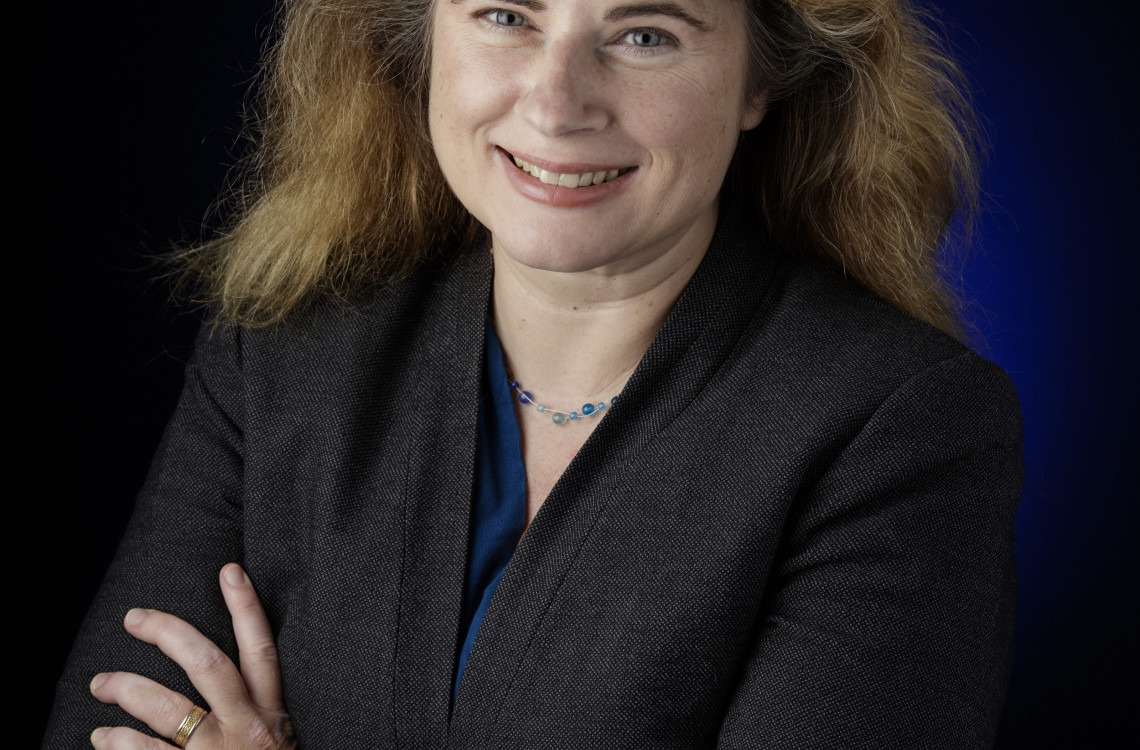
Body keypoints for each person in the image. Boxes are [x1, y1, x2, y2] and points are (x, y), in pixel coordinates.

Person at [44, 0, 1023, 748]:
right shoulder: (283, 352)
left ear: (758, 78)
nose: (557, 103)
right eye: (507, 16)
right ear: (424, 37)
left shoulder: (894, 427)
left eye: (644, 34)